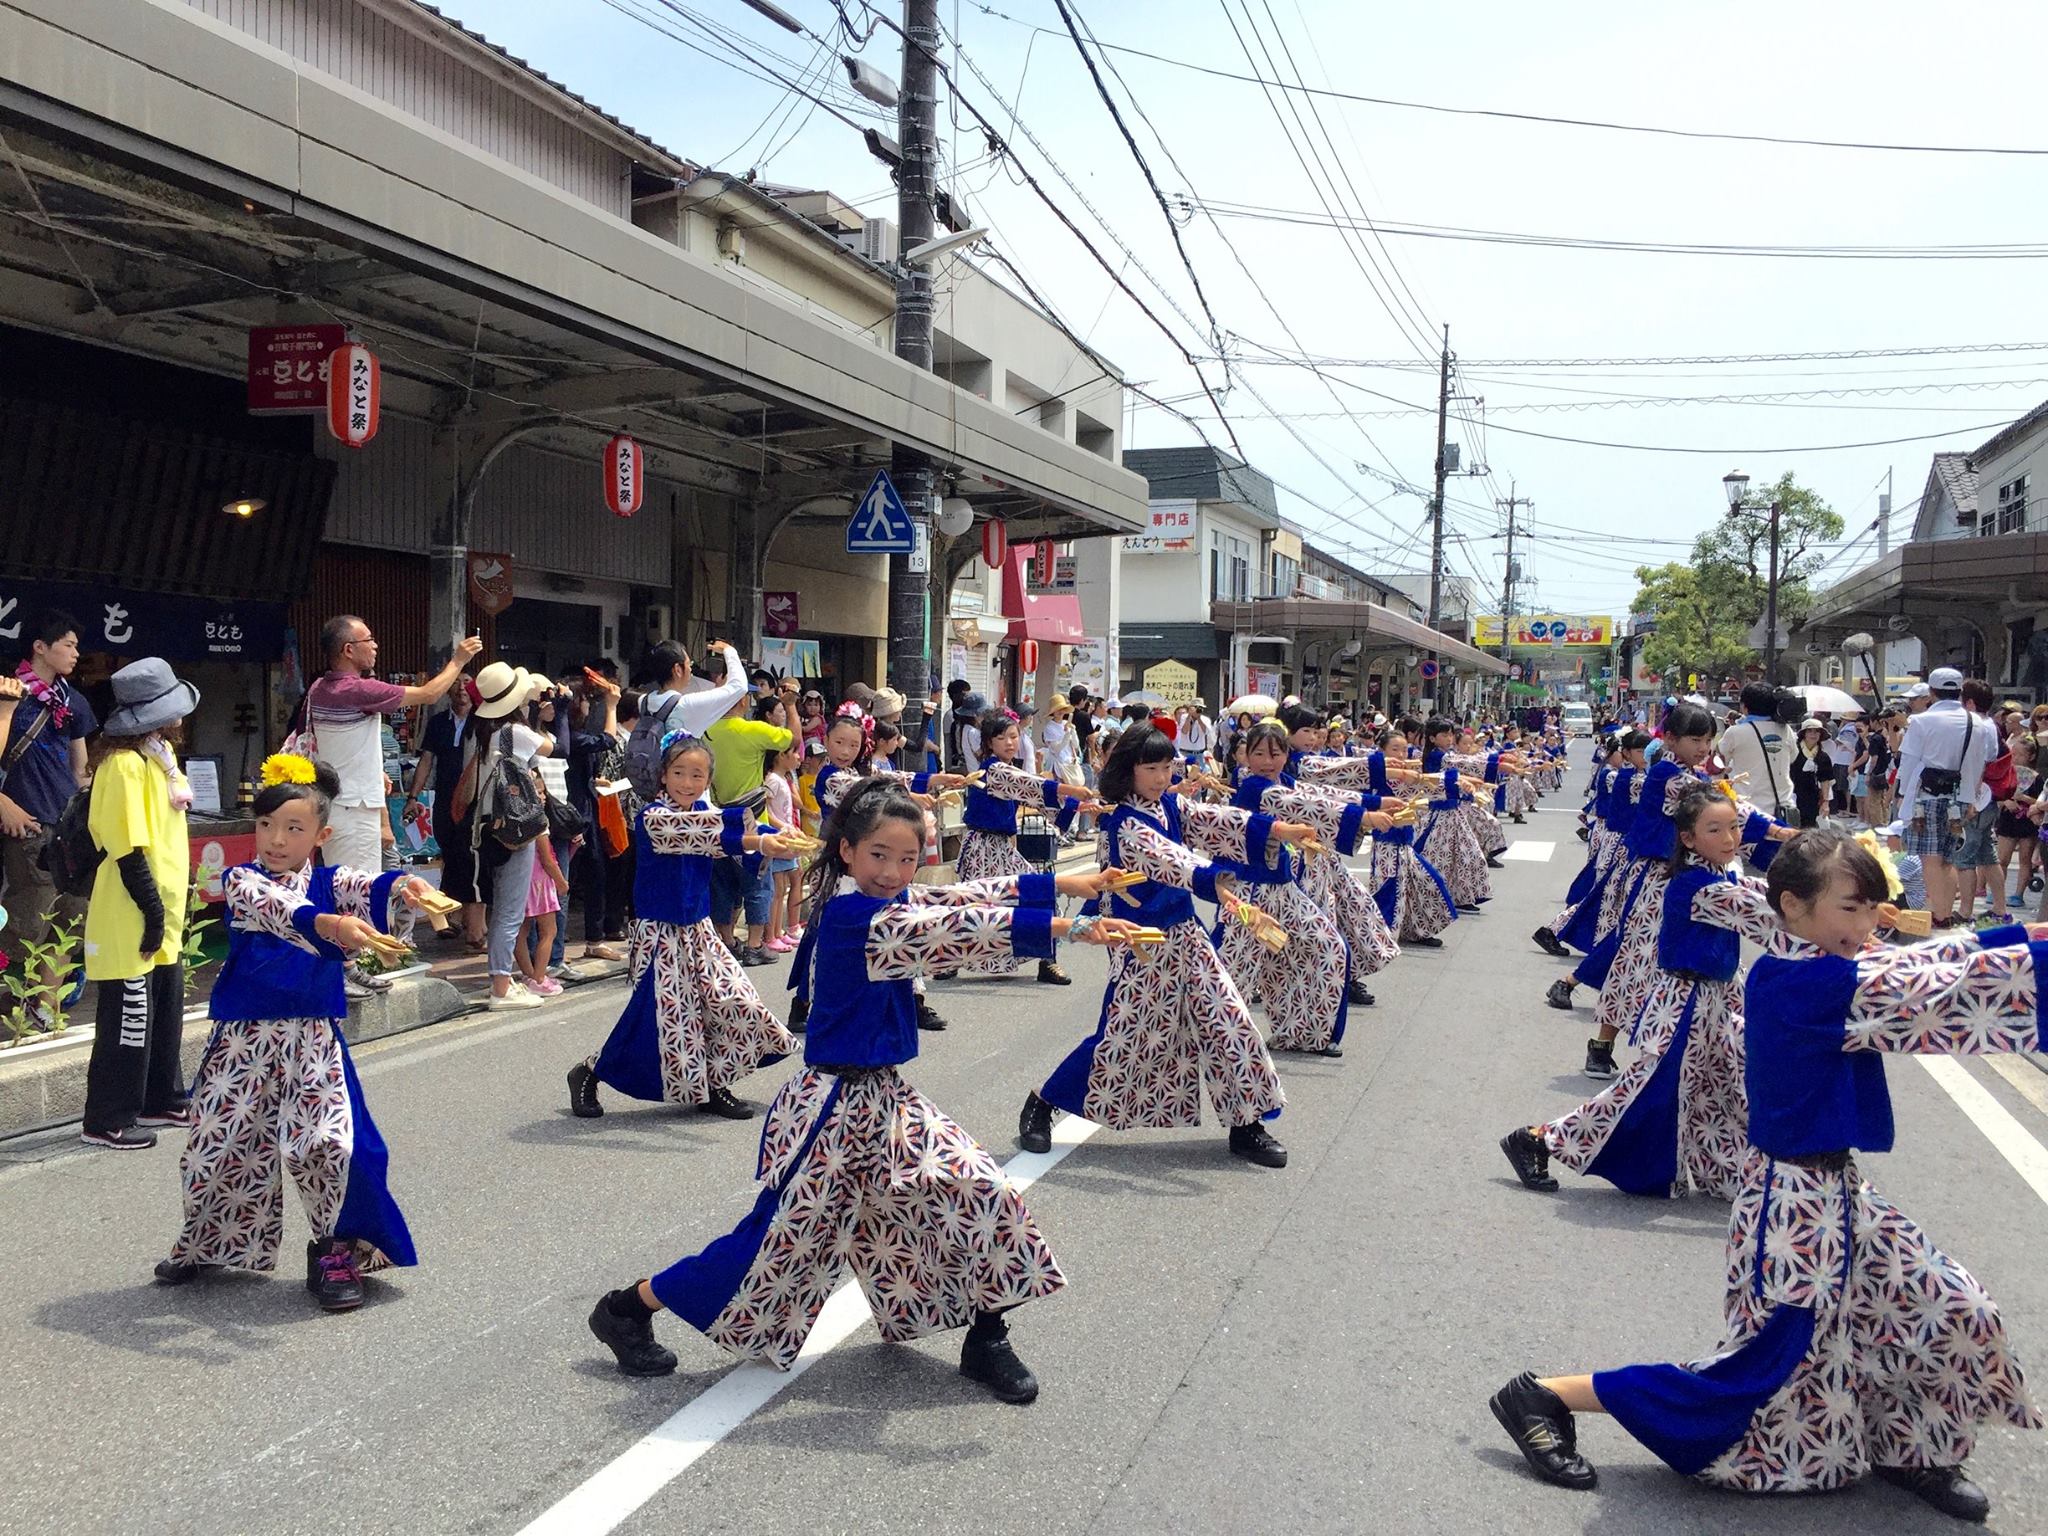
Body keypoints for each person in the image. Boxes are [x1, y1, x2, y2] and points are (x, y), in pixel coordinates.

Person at [1489, 831, 2041, 1523]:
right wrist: (2025, 955)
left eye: (1871, 907)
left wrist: (2020, 934)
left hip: (1842, 1194)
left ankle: (1912, 1447)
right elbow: (1947, 988)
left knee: (1952, 1309)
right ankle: (1544, 1394)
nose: (1867, 924)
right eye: (1850, 908)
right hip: (1792, 1207)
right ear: (1793, 906)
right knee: (1759, 1368)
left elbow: (1920, 959)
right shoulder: (1815, 983)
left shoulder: (1815, 959)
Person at [584, 776, 1140, 1401]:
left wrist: (1066, 883)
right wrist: (1066, 928)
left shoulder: (889, 902)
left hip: (888, 1101)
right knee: (767, 1249)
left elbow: (956, 895)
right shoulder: (857, 918)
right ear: (847, 850)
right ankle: (627, 1308)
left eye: (907, 858)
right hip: (832, 1110)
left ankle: (987, 1337)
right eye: (879, 855)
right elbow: (954, 929)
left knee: (980, 1190)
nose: (893, 872)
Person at [152, 755, 424, 1309]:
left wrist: (407, 887)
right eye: (266, 825)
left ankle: (333, 1253)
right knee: (218, 1146)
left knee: (330, 1145)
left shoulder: (331, 882)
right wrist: (329, 924)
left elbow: (370, 885)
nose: (276, 839)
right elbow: (281, 910)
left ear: (321, 835)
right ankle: (207, 1242)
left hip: (312, 1038)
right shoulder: (242, 881)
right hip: (243, 1038)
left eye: (294, 828)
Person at [1016, 724, 1317, 1168]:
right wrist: (1222, 889)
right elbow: (1173, 860)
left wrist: (1276, 829)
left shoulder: (1170, 805)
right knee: (1124, 1038)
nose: (1161, 777)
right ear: (1129, 770)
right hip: (1140, 941)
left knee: (1229, 1020)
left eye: (1166, 767)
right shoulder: (1125, 823)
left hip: (1187, 935)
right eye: (1151, 768)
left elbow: (1219, 821)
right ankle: (1043, 1103)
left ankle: (1247, 1123)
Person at [1502, 787, 1768, 1200]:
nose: (1729, 838)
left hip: (1717, 1000)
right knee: (1648, 1094)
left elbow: (1762, 893)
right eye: (1714, 830)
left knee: (1720, 1089)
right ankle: (1539, 1139)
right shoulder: (1695, 885)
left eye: (1734, 827)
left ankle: (1736, 1174)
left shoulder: (1722, 874)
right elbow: (1763, 912)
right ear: (1688, 838)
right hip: (1685, 1003)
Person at [567, 737, 799, 1121]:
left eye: (697, 775)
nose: (687, 782)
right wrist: (759, 841)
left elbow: (725, 827)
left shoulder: (706, 812)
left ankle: (713, 1083)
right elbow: (703, 833)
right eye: (679, 773)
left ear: (708, 780)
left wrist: (777, 837)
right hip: (660, 933)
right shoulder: (653, 818)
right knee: (659, 1022)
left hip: (699, 929)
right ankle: (589, 1072)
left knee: (731, 999)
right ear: (663, 775)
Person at [79, 658, 200, 1150]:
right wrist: (152, 912)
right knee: (128, 1019)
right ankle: (107, 1118)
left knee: (165, 1011)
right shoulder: (124, 766)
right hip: (132, 910)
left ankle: (160, 1097)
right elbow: (127, 849)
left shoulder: (158, 756)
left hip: (161, 909)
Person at [300, 617, 481, 878]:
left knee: (341, 883)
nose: (375, 645)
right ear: (348, 650)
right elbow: (429, 694)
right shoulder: (359, 690)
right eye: (369, 640)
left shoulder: (318, 688)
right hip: (355, 810)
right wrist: (459, 660)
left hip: (333, 804)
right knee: (359, 890)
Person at [0, 610, 94, 1032]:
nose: (75, 653)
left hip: (67, 826)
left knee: (72, 917)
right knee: (28, 919)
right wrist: (3, 803)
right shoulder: (8, 693)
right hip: (29, 823)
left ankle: (46, 1007)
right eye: (68, 645)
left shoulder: (74, 701)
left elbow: (80, 769)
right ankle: (15, 1001)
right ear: (40, 647)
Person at [451, 660, 549, 1009]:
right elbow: (552, 748)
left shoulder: (482, 732)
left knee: (501, 910)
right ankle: (501, 989)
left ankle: (501, 981)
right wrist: (536, 709)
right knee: (510, 912)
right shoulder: (515, 733)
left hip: (488, 828)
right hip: (514, 828)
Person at [1895, 667, 1997, 928]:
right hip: (1959, 796)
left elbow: (1908, 762)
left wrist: (1902, 794)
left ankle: (1938, 913)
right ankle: (1944, 912)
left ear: (1932, 692)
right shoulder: (1976, 722)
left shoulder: (1921, 721)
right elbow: (1980, 761)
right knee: (1948, 857)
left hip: (1925, 795)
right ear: (1959, 691)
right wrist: (1971, 797)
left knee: (1929, 857)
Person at [704, 690, 795, 966]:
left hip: (719, 819)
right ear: (743, 701)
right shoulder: (753, 730)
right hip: (754, 821)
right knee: (758, 883)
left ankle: (727, 940)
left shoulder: (705, 732)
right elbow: (792, 739)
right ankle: (755, 945)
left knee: (723, 884)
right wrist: (790, 708)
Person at [402, 679, 483, 951]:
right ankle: (451, 915)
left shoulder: (482, 721)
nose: (461, 689)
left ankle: (469, 923)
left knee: (470, 857)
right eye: (456, 684)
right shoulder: (438, 722)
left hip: (474, 800)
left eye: (467, 683)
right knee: (449, 854)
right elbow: (426, 760)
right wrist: (413, 797)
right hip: (446, 798)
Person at [565, 671, 630, 963]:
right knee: (569, 878)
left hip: (585, 810)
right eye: (585, 700)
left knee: (594, 875)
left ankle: (593, 939)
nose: (589, 705)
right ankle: (557, 946)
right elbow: (607, 740)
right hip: (572, 815)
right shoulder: (571, 737)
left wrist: (596, 781)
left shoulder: (573, 735)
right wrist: (612, 706)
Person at [1715, 682, 1796, 825]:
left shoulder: (1735, 732)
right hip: (1783, 811)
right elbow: (1793, 757)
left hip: (1749, 812)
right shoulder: (1785, 729)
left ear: (1744, 707)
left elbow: (1717, 764)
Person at [1992, 732, 2041, 918]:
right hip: (2007, 820)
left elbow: (2039, 801)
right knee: (2001, 859)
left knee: (2025, 860)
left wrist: (2024, 798)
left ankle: (2018, 894)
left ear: (2031, 756)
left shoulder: (2036, 778)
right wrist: (2006, 801)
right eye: (2014, 754)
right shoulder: (2007, 774)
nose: (2016, 758)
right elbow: (1996, 796)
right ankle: (1998, 893)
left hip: (2027, 821)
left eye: (2021, 755)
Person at [761, 739, 802, 953]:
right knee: (777, 889)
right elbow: (766, 811)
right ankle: (771, 935)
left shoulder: (782, 779)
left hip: (786, 838)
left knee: (782, 888)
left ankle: (778, 932)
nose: (798, 757)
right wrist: (784, 828)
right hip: (777, 838)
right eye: (794, 752)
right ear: (781, 755)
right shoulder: (773, 781)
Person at [1787, 718, 1834, 828]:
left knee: (1809, 828)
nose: (1813, 734)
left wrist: (1825, 802)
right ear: (1804, 734)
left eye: (1817, 731)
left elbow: (1825, 780)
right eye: (1809, 731)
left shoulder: (1823, 757)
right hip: (1791, 794)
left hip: (1812, 797)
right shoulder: (1793, 752)